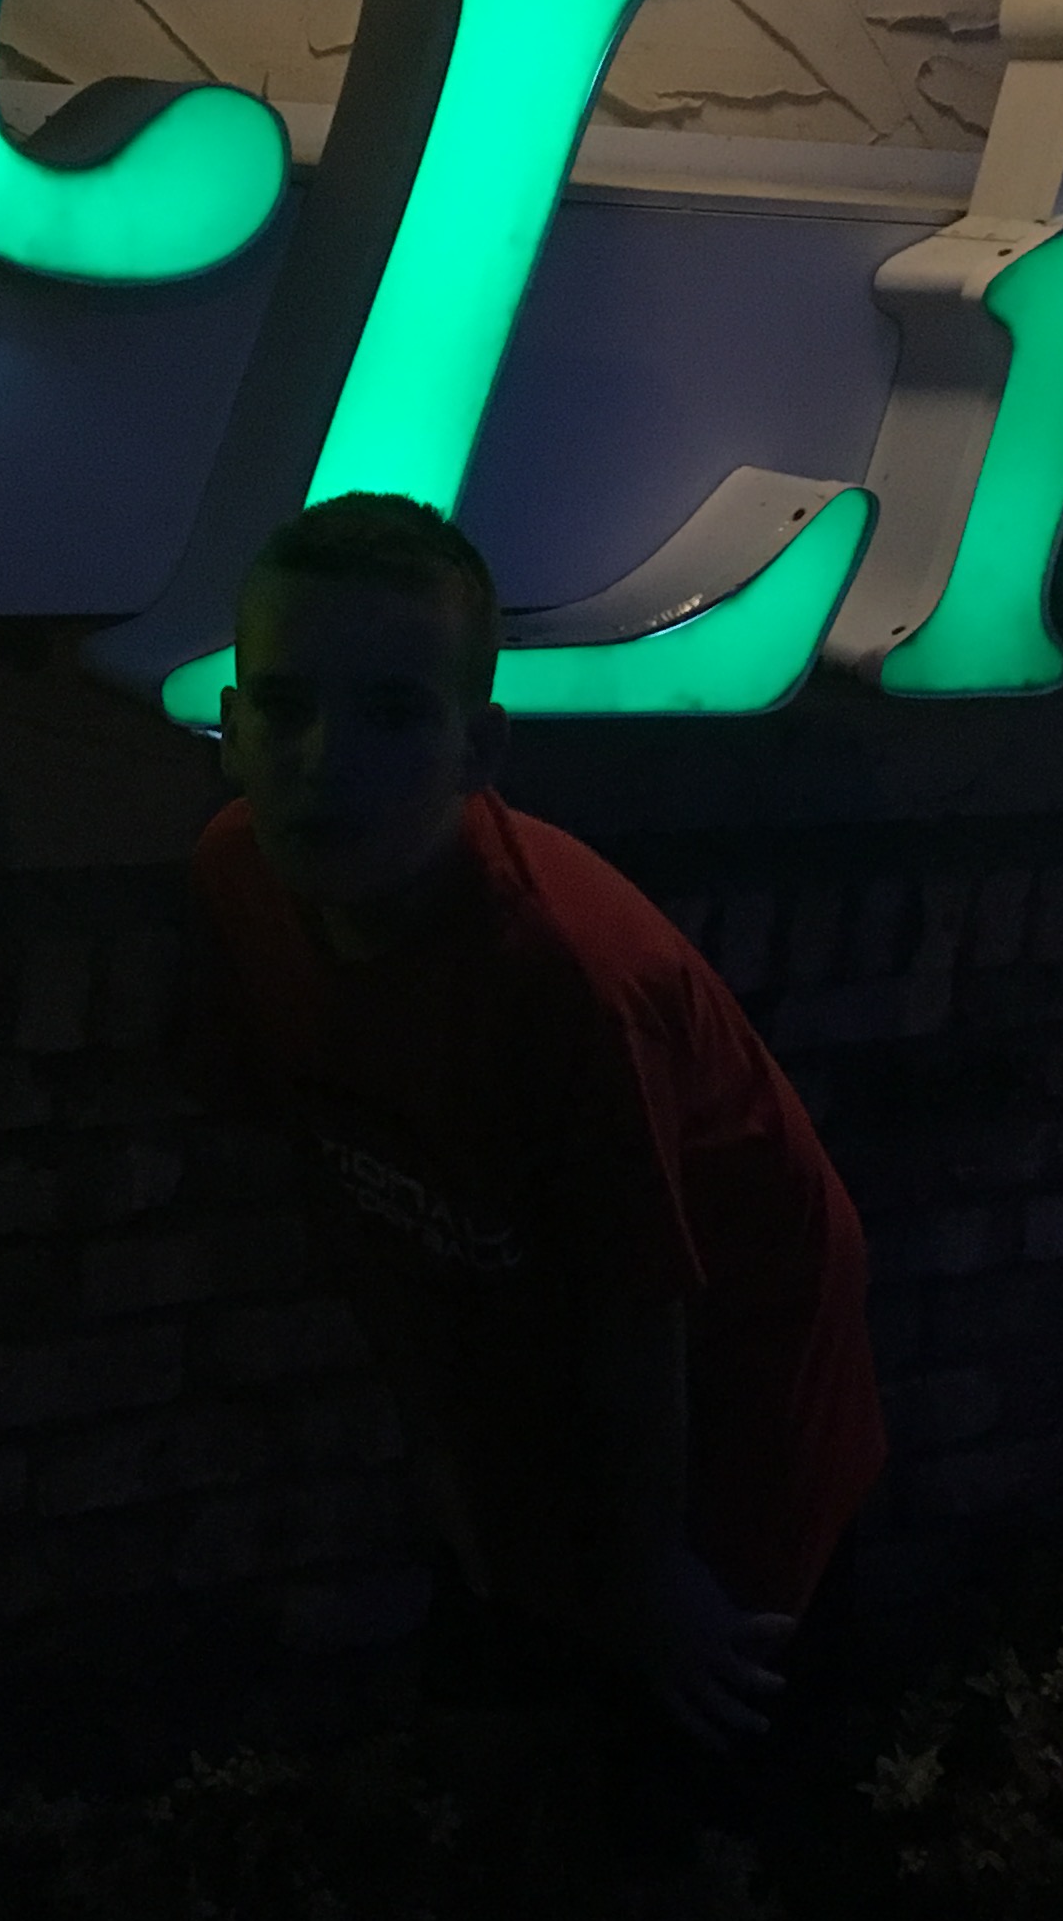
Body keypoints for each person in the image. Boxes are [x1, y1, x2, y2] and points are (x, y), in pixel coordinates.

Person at [189, 492, 886, 1802]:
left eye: (393, 714)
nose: (325, 760)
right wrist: (444, 1453)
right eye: (282, 707)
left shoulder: (568, 980)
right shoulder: (240, 880)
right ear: (229, 725)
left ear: (479, 748)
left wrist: (655, 1577)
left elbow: (642, 1309)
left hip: (737, 1402)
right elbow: (347, 1175)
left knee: (708, 1790)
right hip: (535, 1360)